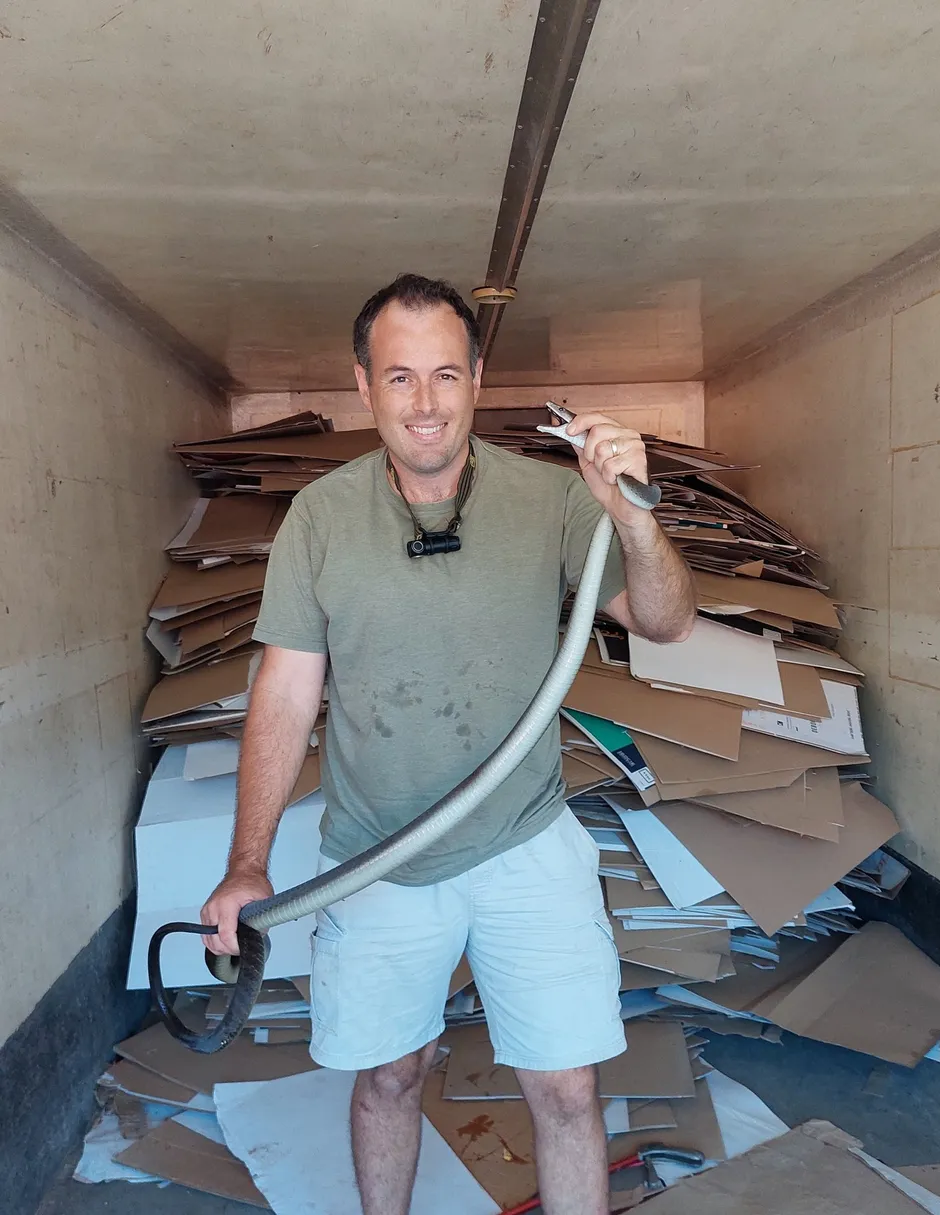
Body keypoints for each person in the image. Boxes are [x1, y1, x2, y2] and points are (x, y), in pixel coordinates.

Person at [201, 273, 696, 1215]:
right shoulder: (320, 517)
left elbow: (667, 621)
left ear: (478, 378)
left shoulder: (553, 500)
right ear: (364, 385)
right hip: (375, 854)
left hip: (524, 842)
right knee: (390, 1076)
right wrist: (246, 863)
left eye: (444, 374)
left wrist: (632, 513)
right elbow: (286, 690)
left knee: (567, 1089)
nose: (424, 403)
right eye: (399, 377)